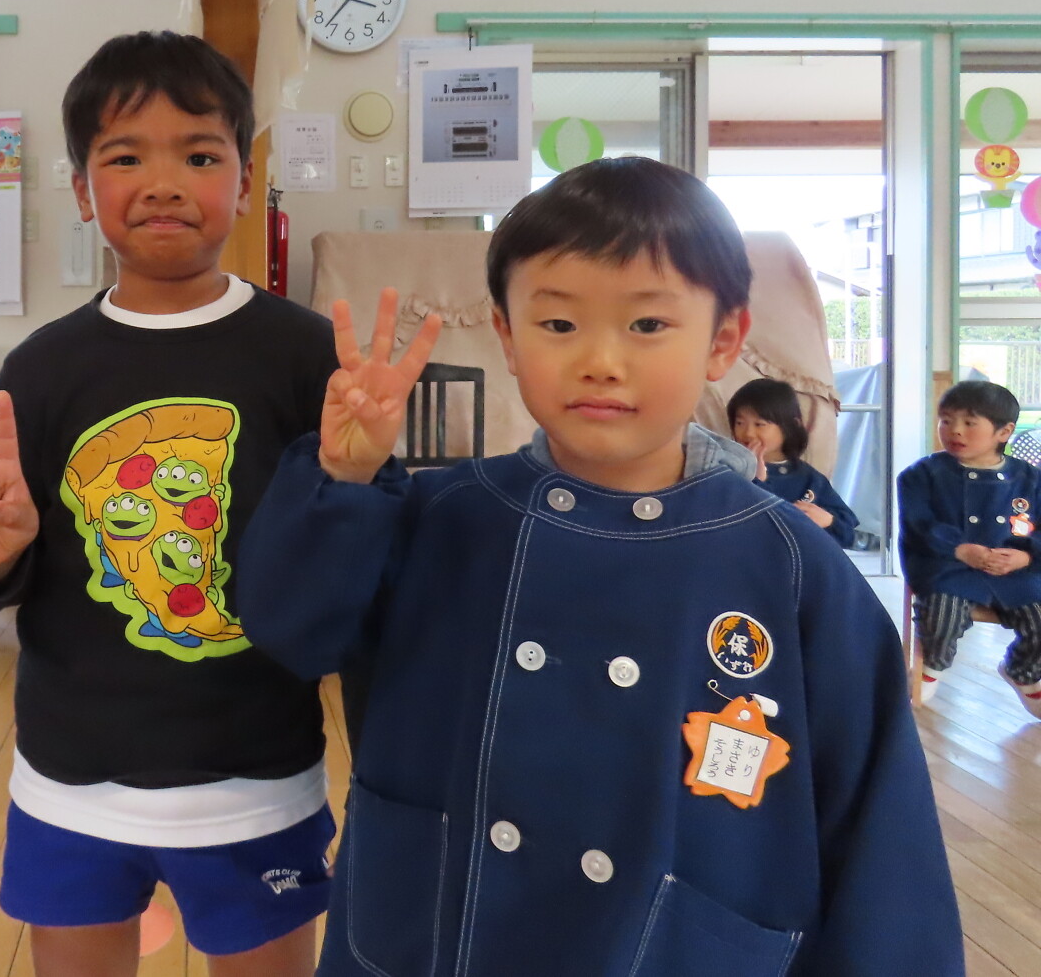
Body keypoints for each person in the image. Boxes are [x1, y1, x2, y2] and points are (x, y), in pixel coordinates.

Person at [237, 157, 961, 977]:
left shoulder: (792, 566)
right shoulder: (440, 516)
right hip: (436, 937)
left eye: (648, 324)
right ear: (507, 338)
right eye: (558, 324)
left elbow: (881, 836)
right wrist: (343, 479)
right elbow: (293, 631)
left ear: (724, 340)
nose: (601, 361)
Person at [0, 31, 338, 977]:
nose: (164, 184)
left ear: (244, 181)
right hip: (72, 772)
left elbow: (344, 567)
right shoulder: (43, 367)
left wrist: (360, 479)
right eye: (125, 158)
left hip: (257, 770)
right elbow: (0, 580)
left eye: (199, 156)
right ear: (83, 191)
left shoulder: (305, 353)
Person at [899, 378, 1041, 713]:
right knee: (941, 614)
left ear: (1004, 432)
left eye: (969, 423)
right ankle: (932, 665)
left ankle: (1022, 670)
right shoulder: (921, 474)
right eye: (946, 420)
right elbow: (919, 525)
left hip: (1014, 572)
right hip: (948, 568)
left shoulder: (1030, 479)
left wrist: (1025, 556)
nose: (955, 431)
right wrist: (960, 549)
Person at [727, 376, 860, 547]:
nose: (748, 433)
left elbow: (848, 535)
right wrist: (756, 480)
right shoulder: (728, 471)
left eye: (759, 424)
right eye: (740, 423)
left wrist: (828, 521)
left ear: (791, 425)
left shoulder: (808, 477)